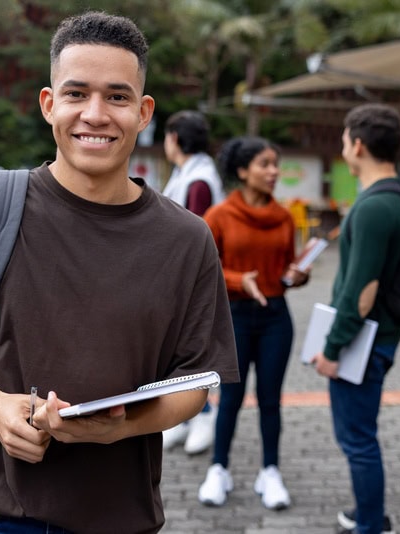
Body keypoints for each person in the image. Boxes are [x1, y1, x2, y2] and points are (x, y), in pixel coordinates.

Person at [0, 11, 239, 533]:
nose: (95, 114)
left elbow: (195, 383)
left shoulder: (186, 238)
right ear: (49, 104)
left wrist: (121, 428)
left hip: (119, 512)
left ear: (143, 111)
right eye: (76, 94)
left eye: (117, 96)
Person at [307, 103, 400, 534]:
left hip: (362, 341)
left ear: (358, 146)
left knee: (358, 440)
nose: (343, 146)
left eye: (345, 139)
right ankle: (369, 514)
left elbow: (361, 293)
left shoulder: (372, 207)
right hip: (382, 335)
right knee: (360, 434)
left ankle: (371, 525)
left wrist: (331, 350)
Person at [197, 136, 309, 511]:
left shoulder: (284, 217)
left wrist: (297, 275)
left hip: (277, 316)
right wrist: (237, 280)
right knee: (230, 398)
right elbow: (204, 269)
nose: (274, 171)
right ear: (243, 171)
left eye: (276, 164)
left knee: (271, 401)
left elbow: (285, 270)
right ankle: (219, 469)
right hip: (235, 317)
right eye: (265, 164)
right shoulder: (219, 216)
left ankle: (270, 471)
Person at [160, 110, 226, 455]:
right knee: (176, 355)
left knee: (187, 354)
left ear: (176, 139)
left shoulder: (198, 181)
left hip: (189, 282)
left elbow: (192, 232)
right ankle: (184, 420)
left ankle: (204, 414)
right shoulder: (190, 173)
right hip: (180, 278)